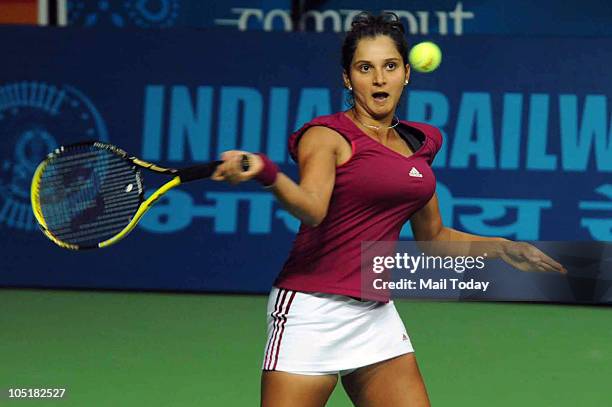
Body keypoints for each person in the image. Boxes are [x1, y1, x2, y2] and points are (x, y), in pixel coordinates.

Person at [212, 12, 566, 407]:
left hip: (375, 314)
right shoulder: (326, 136)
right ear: (348, 78)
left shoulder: (421, 142)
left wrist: (502, 247)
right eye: (365, 68)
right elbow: (312, 209)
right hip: (312, 311)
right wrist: (267, 172)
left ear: (406, 74)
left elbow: (433, 238)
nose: (379, 79)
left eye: (390, 66)